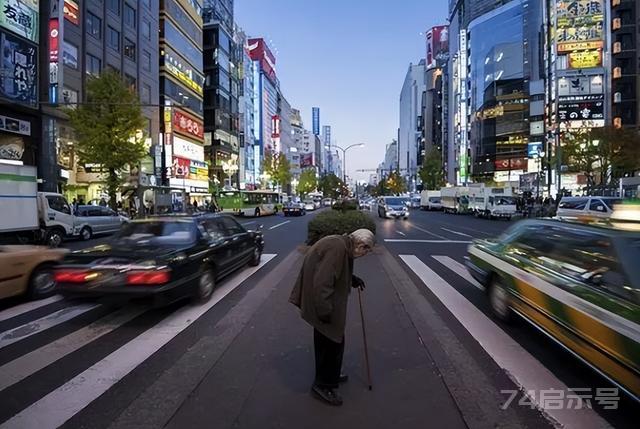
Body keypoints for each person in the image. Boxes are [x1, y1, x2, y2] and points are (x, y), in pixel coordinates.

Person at [289, 229, 376, 406]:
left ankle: (330, 376)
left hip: (321, 302)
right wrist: (324, 311)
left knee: (329, 342)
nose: (364, 255)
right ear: (360, 245)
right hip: (321, 303)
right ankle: (323, 385)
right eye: (366, 250)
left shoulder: (342, 245)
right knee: (332, 343)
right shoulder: (338, 248)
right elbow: (323, 281)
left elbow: (334, 270)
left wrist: (352, 279)